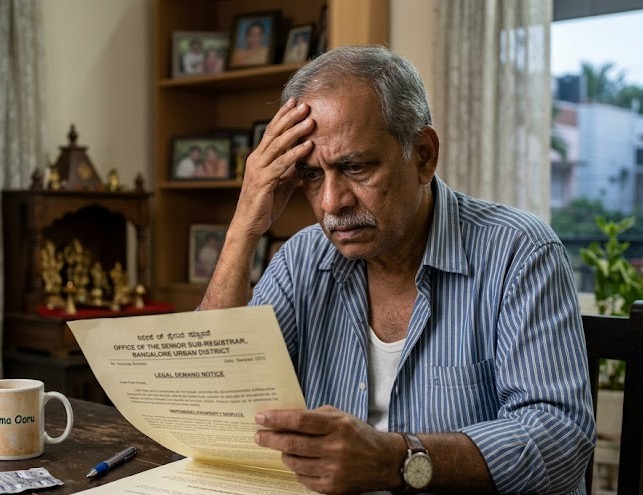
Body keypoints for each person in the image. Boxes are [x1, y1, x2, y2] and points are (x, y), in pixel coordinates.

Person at [199, 46, 594, 494]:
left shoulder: (519, 252)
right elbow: (213, 398)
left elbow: (561, 439)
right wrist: (244, 227)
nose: (331, 202)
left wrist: (393, 459)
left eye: (356, 166)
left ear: (424, 155)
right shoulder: (302, 258)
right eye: (311, 175)